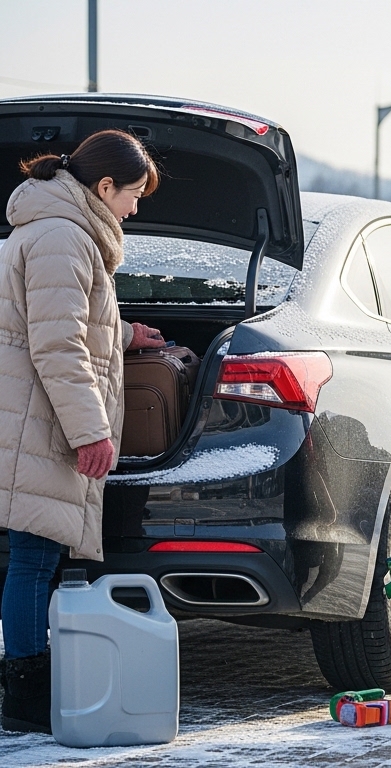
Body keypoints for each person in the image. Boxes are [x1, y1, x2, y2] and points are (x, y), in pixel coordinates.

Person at [0, 129, 165, 734]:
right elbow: (58, 345)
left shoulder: (55, 231)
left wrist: (127, 336)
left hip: (35, 416)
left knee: (31, 556)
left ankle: (29, 688)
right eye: (133, 195)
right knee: (33, 558)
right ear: (103, 187)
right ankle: (24, 699)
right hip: (41, 422)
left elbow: (64, 322)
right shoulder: (64, 237)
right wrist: (91, 432)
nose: (135, 208)